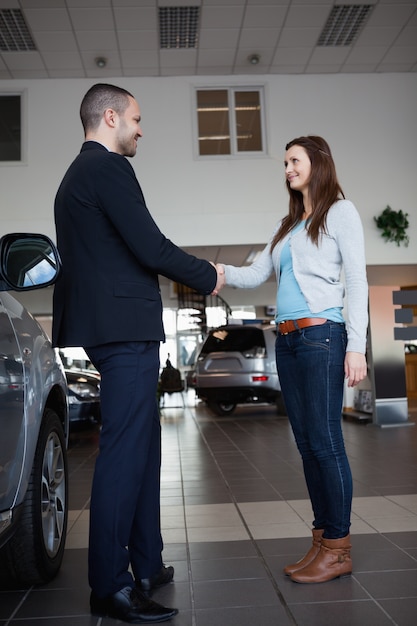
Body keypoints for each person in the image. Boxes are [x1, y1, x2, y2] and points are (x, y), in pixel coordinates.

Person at [52, 83, 225, 623]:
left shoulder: (75, 177)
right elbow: (149, 245)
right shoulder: (106, 169)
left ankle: (147, 561)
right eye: (136, 119)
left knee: (143, 444)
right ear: (110, 117)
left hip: (115, 326)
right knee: (125, 453)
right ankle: (110, 585)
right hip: (124, 330)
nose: (141, 129)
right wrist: (209, 276)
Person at [217, 135, 368, 584]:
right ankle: (321, 539)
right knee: (305, 444)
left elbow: (357, 281)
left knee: (326, 441)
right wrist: (217, 272)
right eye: (284, 162)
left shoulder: (340, 212)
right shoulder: (287, 225)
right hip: (288, 340)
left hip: (323, 335)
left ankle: (339, 548)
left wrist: (356, 345)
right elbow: (257, 272)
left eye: (294, 160)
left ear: (318, 162)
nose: (287, 168)